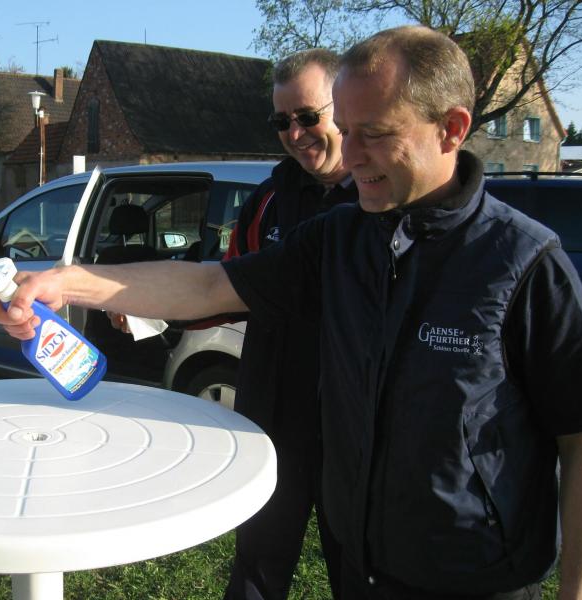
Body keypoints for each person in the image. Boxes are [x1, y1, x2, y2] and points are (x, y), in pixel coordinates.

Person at [0, 26, 582, 600]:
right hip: (363, 569)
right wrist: (68, 282)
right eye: (347, 128)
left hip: (477, 579)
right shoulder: (340, 237)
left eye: (373, 133)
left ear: (451, 128)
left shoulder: (524, 265)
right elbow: (210, 285)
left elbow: (580, 439)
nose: (351, 153)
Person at [220, 48, 353, 600]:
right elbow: (230, 286)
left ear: (344, 108)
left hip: (355, 432)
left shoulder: (383, 199)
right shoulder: (268, 199)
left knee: (360, 573)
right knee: (256, 568)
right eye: (281, 121)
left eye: (308, 116)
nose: (295, 134)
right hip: (275, 421)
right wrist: (147, 309)